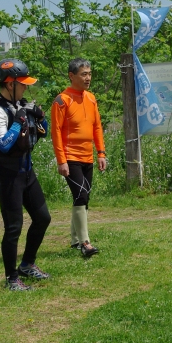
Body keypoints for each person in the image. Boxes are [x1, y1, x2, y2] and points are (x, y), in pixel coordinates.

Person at [0, 58, 52, 291]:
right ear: (9, 84)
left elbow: (42, 133)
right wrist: (19, 120)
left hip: (27, 172)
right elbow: (3, 144)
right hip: (8, 175)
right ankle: (12, 278)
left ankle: (27, 264)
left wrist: (41, 118)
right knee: (14, 227)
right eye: (22, 83)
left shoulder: (21, 104)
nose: (26, 87)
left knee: (43, 218)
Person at [51, 58, 107, 257]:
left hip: (87, 157)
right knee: (81, 195)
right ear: (72, 76)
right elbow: (56, 131)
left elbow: (97, 126)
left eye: (90, 74)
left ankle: (75, 240)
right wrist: (61, 160)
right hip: (70, 157)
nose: (88, 78)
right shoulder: (62, 100)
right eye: (84, 74)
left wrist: (101, 152)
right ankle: (85, 243)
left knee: (83, 197)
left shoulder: (91, 98)